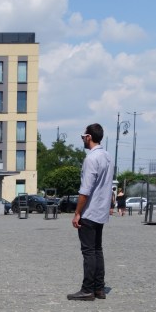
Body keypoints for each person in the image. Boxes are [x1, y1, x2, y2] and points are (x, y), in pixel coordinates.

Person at [68, 123, 114, 301]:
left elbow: (85, 190)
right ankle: (99, 288)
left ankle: (87, 289)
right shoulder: (108, 157)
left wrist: (77, 213)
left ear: (89, 137)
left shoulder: (91, 159)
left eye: (83, 137)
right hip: (101, 211)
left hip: (89, 211)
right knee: (97, 250)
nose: (82, 140)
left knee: (88, 252)